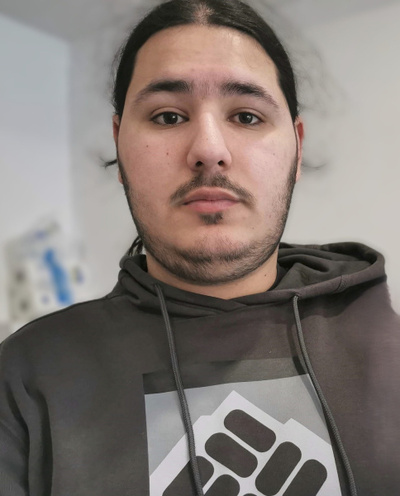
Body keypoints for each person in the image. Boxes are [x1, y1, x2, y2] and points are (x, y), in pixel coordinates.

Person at [1, 0, 399, 495]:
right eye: (168, 116)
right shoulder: (28, 376)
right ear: (119, 145)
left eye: (247, 117)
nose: (209, 149)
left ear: (297, 148)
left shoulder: (388, 343)